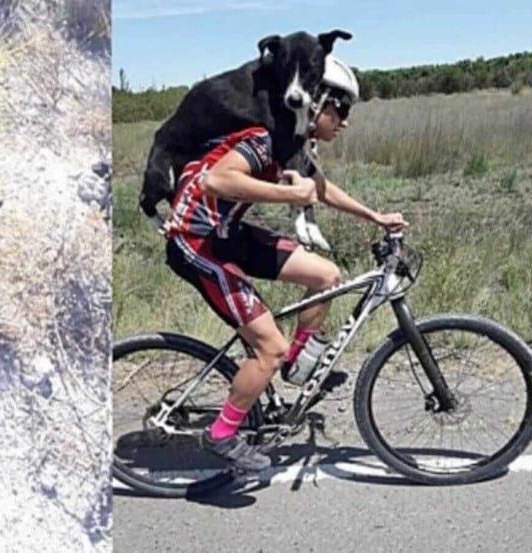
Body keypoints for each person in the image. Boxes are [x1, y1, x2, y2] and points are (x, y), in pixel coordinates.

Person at [161, 55, 408, 470]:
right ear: (315, 102)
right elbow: (216, 180)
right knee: (268, 348)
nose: (345, 121)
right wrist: (290, 195)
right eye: (341, 108)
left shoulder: (291, 142)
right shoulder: (262, 138)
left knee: (326, 275)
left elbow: (320, 188)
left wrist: (375, 217)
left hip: (225, 233)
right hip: (195, 241)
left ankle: (295, 365)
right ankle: (222, 433)